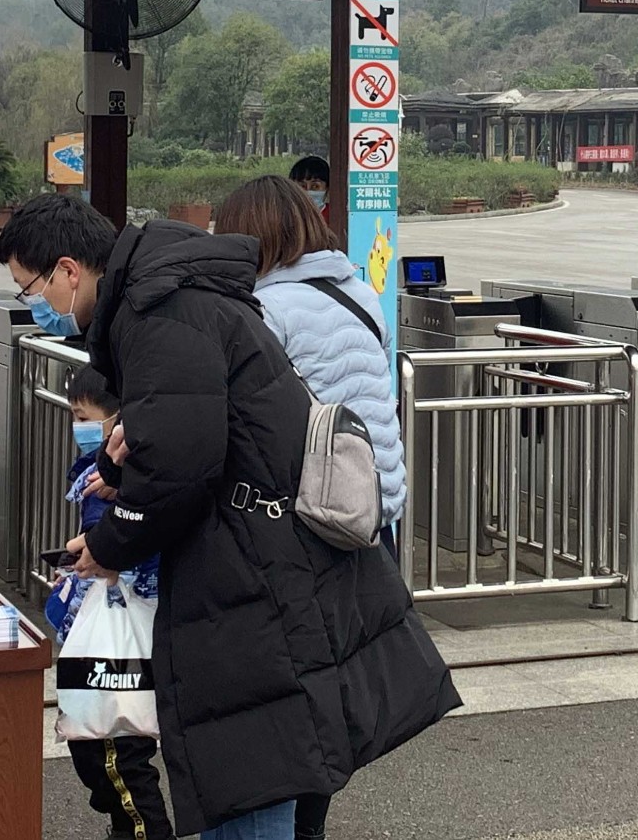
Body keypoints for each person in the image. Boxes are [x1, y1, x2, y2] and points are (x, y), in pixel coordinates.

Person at [0, 193, 459, 840]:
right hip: (265, 571)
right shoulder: (171, 297)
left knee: (251, 786)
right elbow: (204, 434)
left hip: (249, 586)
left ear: (69, 270)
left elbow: (184, 468)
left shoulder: (157, 310)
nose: (34, 305)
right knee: (279, 776)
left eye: (31, 288)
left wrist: (112, 541)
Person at [215, 175, 407, 840]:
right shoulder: (358, 293)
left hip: (306, 528)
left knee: (293, 709)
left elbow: (251, 429)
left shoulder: (267, 314)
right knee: (332, 701)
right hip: (369, 518)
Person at [45, 366, 172, 840]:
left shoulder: (130, 475)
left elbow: (139, 536)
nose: (77, 425)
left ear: (117, 418)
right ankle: (126, 828)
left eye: (83, 415)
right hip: (101, 620)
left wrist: (102, 547)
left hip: (124, 623)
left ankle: (143, 831)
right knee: (95, 745)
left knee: (116, 750)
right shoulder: (100, 470)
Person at [288, 155, 330, 220]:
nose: (307, 191)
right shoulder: (287, 216)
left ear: (327, 188)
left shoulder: (334, 215)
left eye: (315, 186)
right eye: (302, 186)